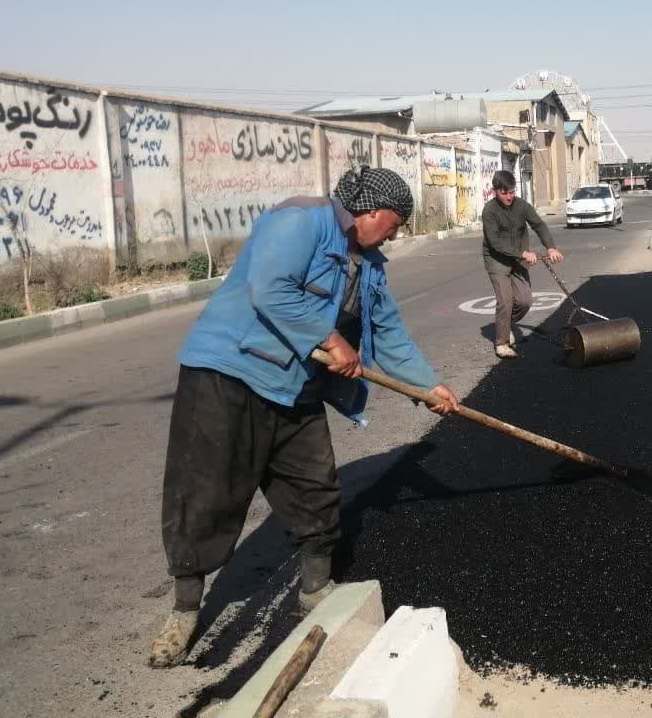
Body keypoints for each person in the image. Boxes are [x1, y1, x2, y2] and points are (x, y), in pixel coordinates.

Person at [148, 167, 460, 669]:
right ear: (372, 213)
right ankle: (185, 610)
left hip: (294, 386)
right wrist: (331, 339)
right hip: (229, 375)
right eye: (397, 223)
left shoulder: (371, 266)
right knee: (205, 492)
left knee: (315, 483)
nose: (397, 234)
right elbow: (270, 288)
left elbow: (389, 331)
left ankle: (315, 589)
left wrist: (429, 387)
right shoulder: (301, 220)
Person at [481, 170, 563, 359]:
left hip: (518, 260)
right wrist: (523, 253)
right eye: (504, 193)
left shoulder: (522, 206)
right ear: (495, 191)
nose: (509, 196)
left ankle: (504, 324)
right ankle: (501, 343)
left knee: (525, 301)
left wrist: (551, 247)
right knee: (506, 300)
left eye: (512, 192)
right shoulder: (490, 211)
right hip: (497, 260)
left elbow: (539, 225)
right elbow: (495, 243)